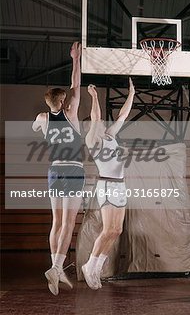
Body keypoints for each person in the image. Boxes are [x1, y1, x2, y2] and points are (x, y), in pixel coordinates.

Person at [32, 41, 84, 296]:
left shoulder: (43, 118)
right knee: (70, 222)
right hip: (73, 169)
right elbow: (76, 85)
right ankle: (56, 267)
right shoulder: (72, 113)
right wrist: (75, 59)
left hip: (54, 171)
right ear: (63, 102)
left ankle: (56, 267)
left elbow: (34, 127)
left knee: (57, 221)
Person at [81, 79, 135, 290]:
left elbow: (123, 115)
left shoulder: (110, 136)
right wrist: (94, 97)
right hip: (107, 186)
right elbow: (96, 117)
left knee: (117, 230)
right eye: (97, 123)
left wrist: (131, 93)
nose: (102, 123)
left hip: (120, 184)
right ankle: (90, 265)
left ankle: (96, 267)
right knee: (107, 230)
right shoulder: (92, 139)